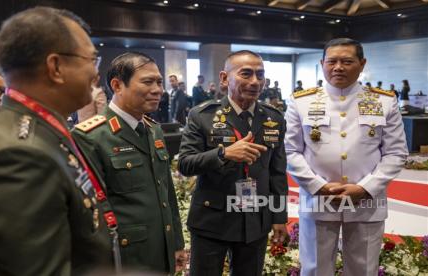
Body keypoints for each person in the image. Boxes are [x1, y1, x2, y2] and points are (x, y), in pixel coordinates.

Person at [0, 7, 117, 275]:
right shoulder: (16, 154)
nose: (95, 73)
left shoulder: (39, 127)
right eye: (92, 60)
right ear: (55, 67)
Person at [285, 38, 408, 276]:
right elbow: (291, 151)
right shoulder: (302, 101)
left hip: (367, 202)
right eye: (332, 61)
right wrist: (318, 186)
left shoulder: (384, 101)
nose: (338, 67)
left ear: (362, 64)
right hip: (318, 200)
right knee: (314, 270)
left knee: (363, 270)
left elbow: (396, 152)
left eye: (347, 61)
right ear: (322, 63)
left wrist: (366, 188)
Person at [73, 52, 186, 275]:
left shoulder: (154, 130)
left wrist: (176, 242)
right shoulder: (91, 137)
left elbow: (167, 193)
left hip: (160, 248)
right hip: (123, 257)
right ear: (117, 85)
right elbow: (89, 213)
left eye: (159, 82)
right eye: (147, 81)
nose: (157, 89)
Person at [178, 50, 288, 276]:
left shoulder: (273, 118)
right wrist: (223, 154)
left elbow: (277, 172)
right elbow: (186, 164)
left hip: (255, 221)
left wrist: (279, 217)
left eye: (260, 75)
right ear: (224, 78)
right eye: (246, 74)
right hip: (212, 219)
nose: (255, 82)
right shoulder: (203, 115)